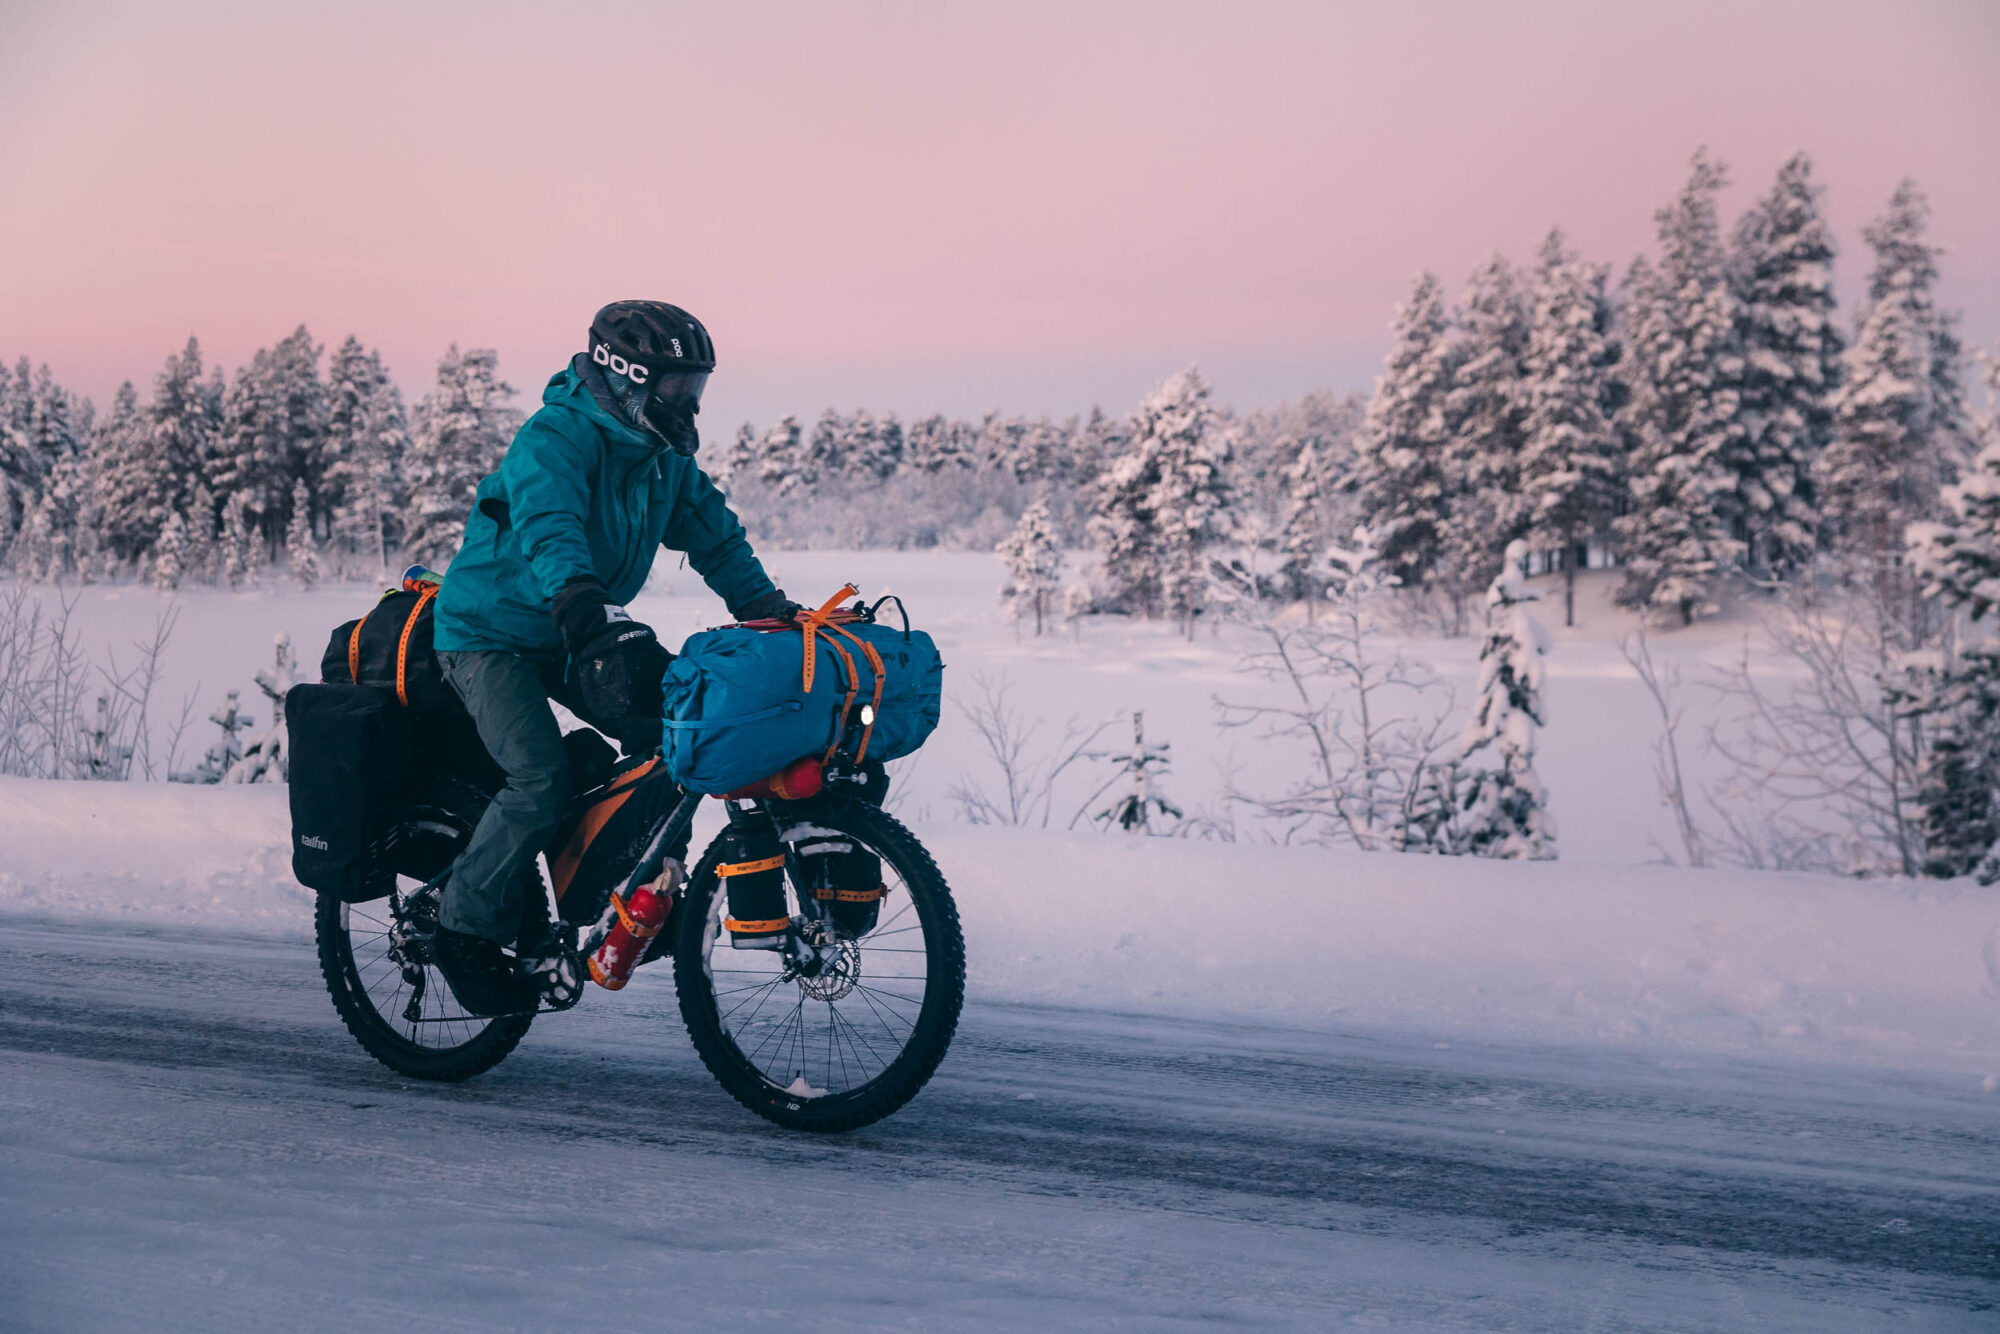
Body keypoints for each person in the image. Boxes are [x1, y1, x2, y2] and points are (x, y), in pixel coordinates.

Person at [428, 300, 796, 1015]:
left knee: (682, 728)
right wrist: (579, 598)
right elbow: (549, 524)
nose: (689, 405)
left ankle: (631, 886)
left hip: (577, 627)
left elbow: (716, 541)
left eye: (698, 390)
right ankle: (460, 931)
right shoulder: (555, 439)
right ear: (628, 379)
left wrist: (772, 613)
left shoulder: (663, 460)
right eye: (677, 389)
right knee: (539, 777)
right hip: (490, 633)